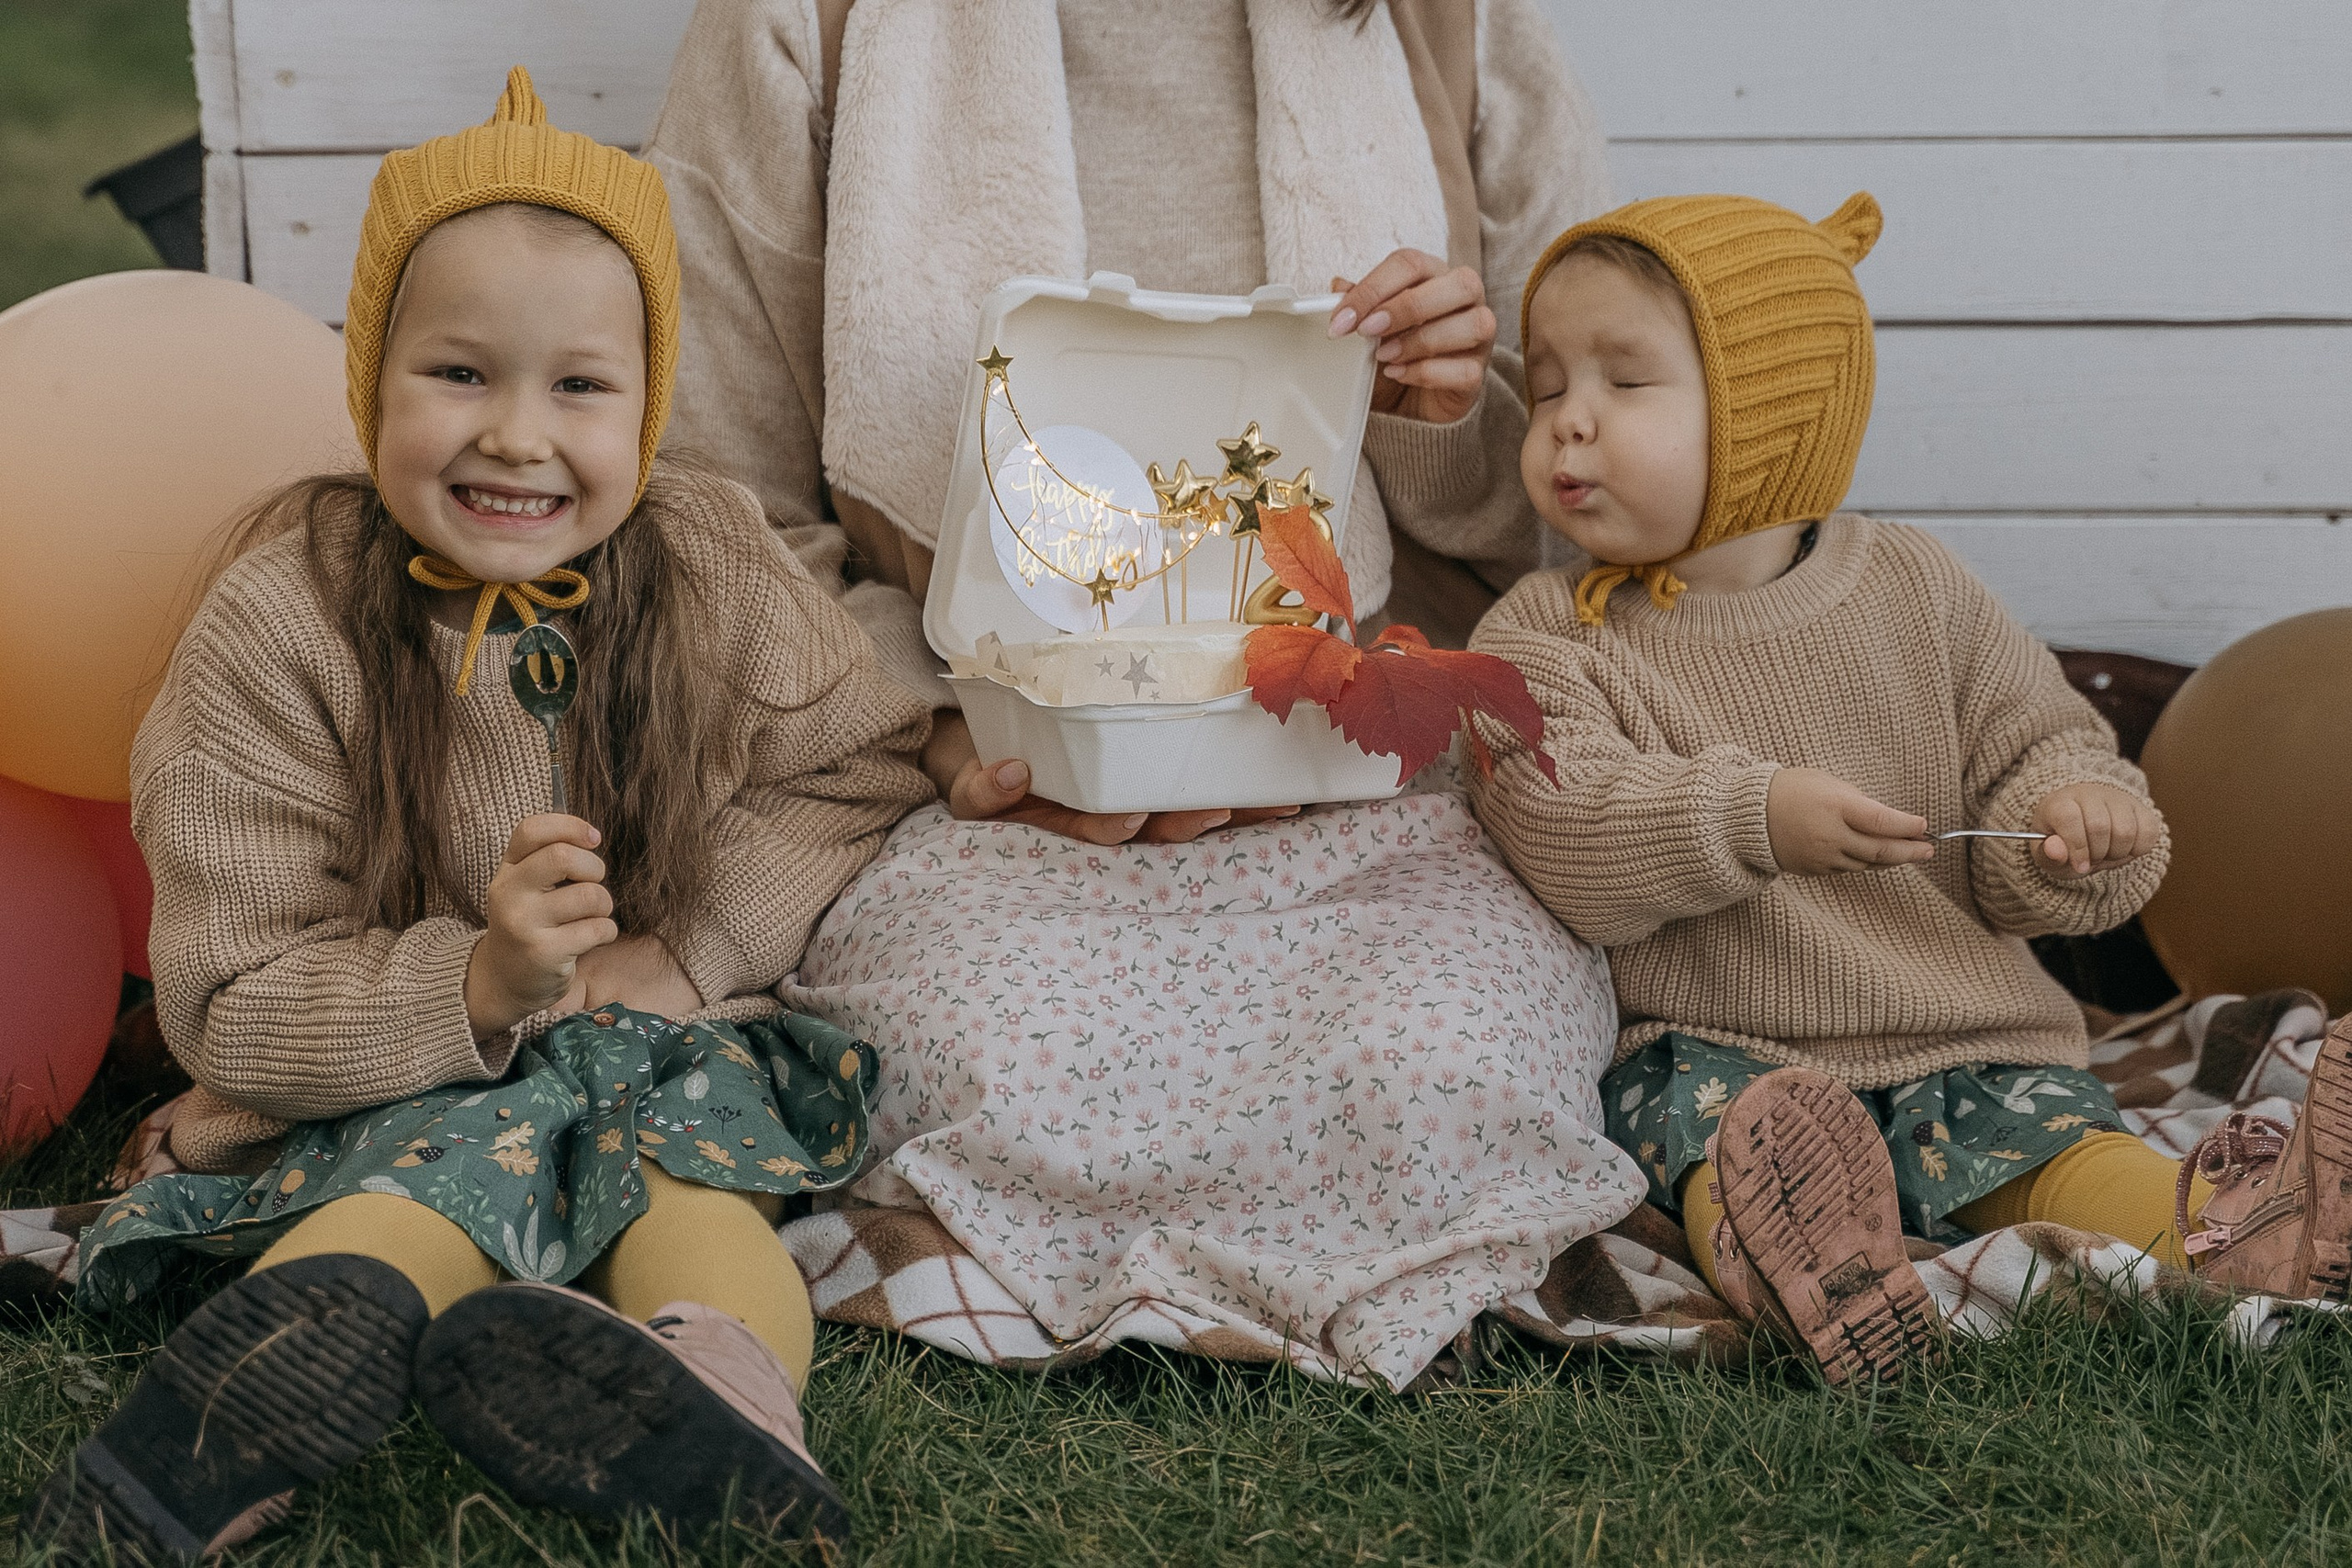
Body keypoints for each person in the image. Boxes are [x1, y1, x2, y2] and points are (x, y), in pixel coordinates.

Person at [644, 0, 1649, 1391]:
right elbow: (724, 503)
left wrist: (1442, 413)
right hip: (978, 797)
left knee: (1455, 1056)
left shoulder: (1450, 23)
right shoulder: (800, 23)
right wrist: (955, 738)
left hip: (1367, 785)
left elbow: (1614, 475)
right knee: (984, 1057)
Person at [29, 71, 929, 1562]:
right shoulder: (282, 619)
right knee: (465, 1143)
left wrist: (683, 953)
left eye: (578, 387)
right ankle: (260, 1384)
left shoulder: (706, 559)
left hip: (665, 1052)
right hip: (390, 1079)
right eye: (458, 374)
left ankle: (725, 1404)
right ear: (369, 374)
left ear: (649, 403)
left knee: (690, 1173)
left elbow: (858, 761)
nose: (518, 436)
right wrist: (473, 987)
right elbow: (228, 994)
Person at [1464, 190, 2352, 1384]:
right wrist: (1751, 816)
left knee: (2053, 1143)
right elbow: (1564, 833)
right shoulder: (1538, 641)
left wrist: (2079, 823)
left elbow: (2038, 744)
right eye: (1550, 381)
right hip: (1716, 1042)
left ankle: (2241, 1232)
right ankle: (1824, 1272)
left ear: (1771, 408)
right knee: (1717, 1147)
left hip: (1962, 1036)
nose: (1567, 425)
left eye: (1623, 382)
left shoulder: (1914, 587)